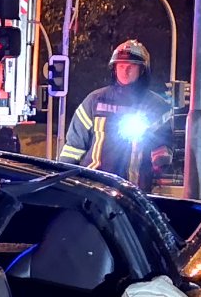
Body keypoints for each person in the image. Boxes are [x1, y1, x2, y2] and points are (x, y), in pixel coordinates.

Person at [58, 40, 173, 193]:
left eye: (131, 66)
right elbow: (74, 146)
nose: (125, 71)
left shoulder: (158, 106)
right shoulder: (94, 101)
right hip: (94, 188)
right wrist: (62, 177)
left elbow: (163, 144)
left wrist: (161, 161)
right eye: (121, 66)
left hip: (134, 191)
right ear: (114, 69)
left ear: (142, 70)